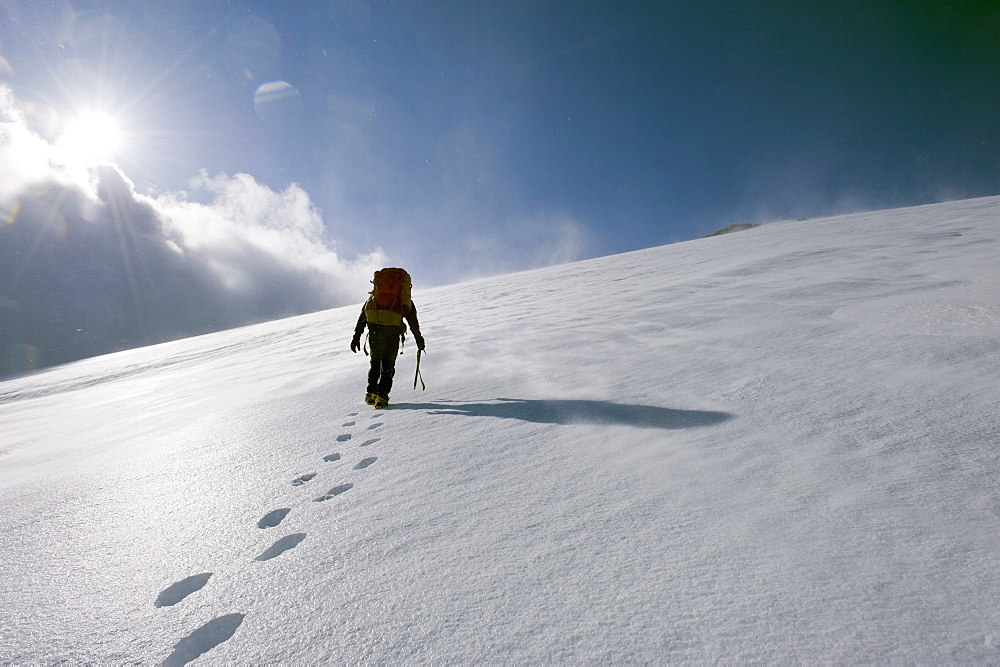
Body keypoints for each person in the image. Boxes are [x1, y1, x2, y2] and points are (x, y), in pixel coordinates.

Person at [351, 289, 424, 409]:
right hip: (391, 335)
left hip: (374, 334)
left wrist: (356, 338)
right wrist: (419, 340)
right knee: (387, 366)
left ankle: (371, 394)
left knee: (375, 363)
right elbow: (413, 323)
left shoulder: (372, 300)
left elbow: (361, 320)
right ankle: (382, 398)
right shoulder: (403, 301)